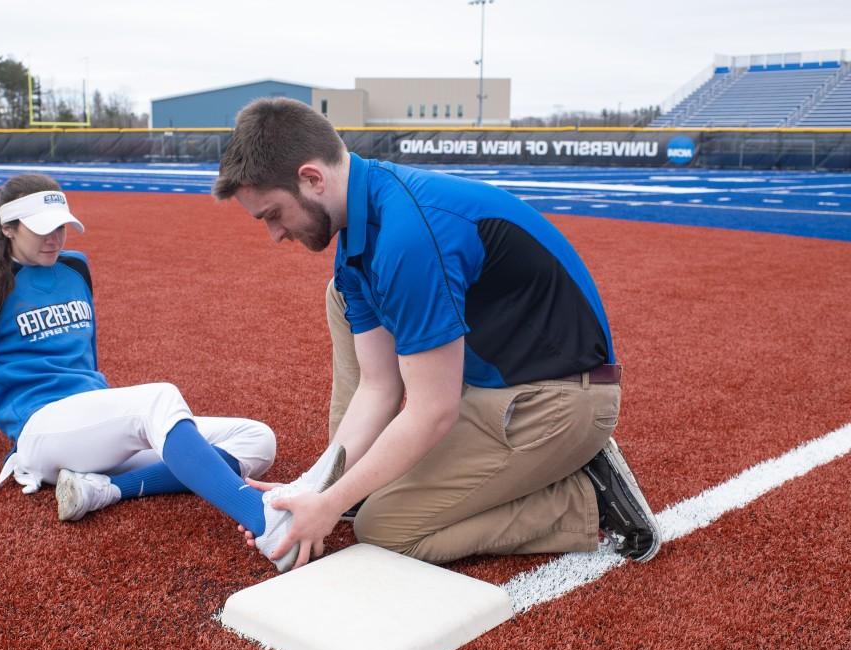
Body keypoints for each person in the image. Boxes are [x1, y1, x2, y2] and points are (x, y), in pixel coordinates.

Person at [215, 97, 661, 571]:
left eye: (273, 214)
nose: (275, 234)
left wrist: (330, 505)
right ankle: (346, 488)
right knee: (342, 307)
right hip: (498, 384)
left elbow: (432, 410)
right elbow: (378, 386)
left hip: (557, 400)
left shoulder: (409, 237)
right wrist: (313, 487)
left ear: (312, 179)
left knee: (384, 527)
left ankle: (586, 500)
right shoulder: (363, 232)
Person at [0, 174, 343, 570]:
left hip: (90, 427)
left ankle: (104, 490)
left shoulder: (75, 268)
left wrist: (113, 422)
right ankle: (262, 521)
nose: (56, 239)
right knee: (159, 399)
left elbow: (87, 361)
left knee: (256, 440)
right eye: (42, 229)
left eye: (62, 226)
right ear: (8, 226)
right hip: (41, 431)